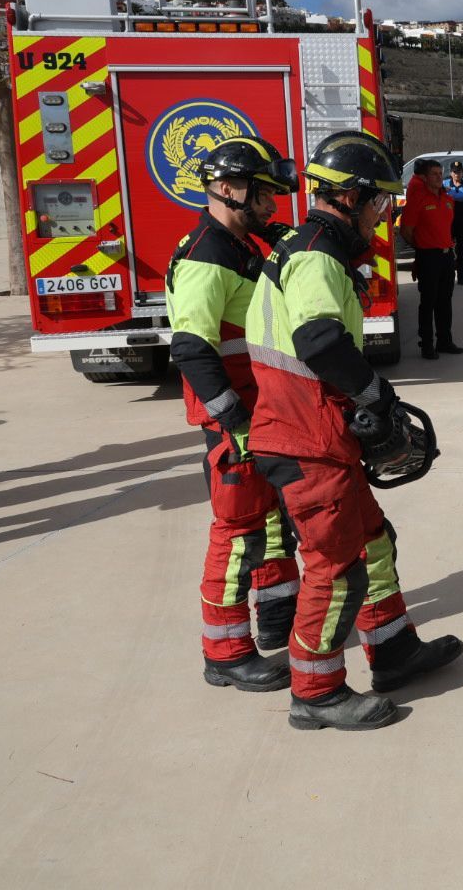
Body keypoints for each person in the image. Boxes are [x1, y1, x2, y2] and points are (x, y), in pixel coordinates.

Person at [246, 131, 463, 731]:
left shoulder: (311, 245)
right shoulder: (316, 255)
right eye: (380, 202)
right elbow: (318, 339)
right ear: (352, 198)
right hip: (304, 438)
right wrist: (376, 396)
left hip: (310, 431)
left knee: (373, 542)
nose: (386, 214)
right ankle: (314, 692)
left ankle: (393, 650)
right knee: (337, 565)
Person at [166, 137, 301, 693]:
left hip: (258, 408)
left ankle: (276, 617)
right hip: (234, 416)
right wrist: (236, 422)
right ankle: (224, 653)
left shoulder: (240, 242)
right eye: (262, 193)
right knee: (238, 530)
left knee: (270, 520)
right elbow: (192, 347)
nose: (271, 205)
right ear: (226, 189)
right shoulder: (206, 256)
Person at [399, 157, 463, 359]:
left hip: (446, 257)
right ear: (424, 178)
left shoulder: (447, 199)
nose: (438, 177)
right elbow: (406, 231)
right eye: (434, 174)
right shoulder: (419, 199)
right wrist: (422, 248)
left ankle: (445, 341)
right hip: (428, 257)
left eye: (440, 173)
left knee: (445, 301)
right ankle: (427, 345)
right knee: (428, 302)